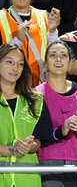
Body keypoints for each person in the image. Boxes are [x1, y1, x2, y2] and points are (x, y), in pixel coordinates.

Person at [35, 40, 77, 186]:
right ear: (45, 63)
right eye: (53, 55)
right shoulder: (36, 95)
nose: (58, 59)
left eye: (63, 55)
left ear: (70, 63)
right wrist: (61, 131)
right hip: (48, 162)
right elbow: (35, 135)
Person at [0, 0, 60, 86]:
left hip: (40, 88)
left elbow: (54, 53)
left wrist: (52, 31)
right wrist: (17, 40)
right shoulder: (1, 19)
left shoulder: (45, 17)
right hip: (9, 89)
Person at [0, 43, 44, 187]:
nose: (15, 68)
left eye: (20, 64)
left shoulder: (35, 100)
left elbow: (38, 141)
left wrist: (29, 146)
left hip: (27, 180)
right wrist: (12, 150)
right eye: (9, 62)